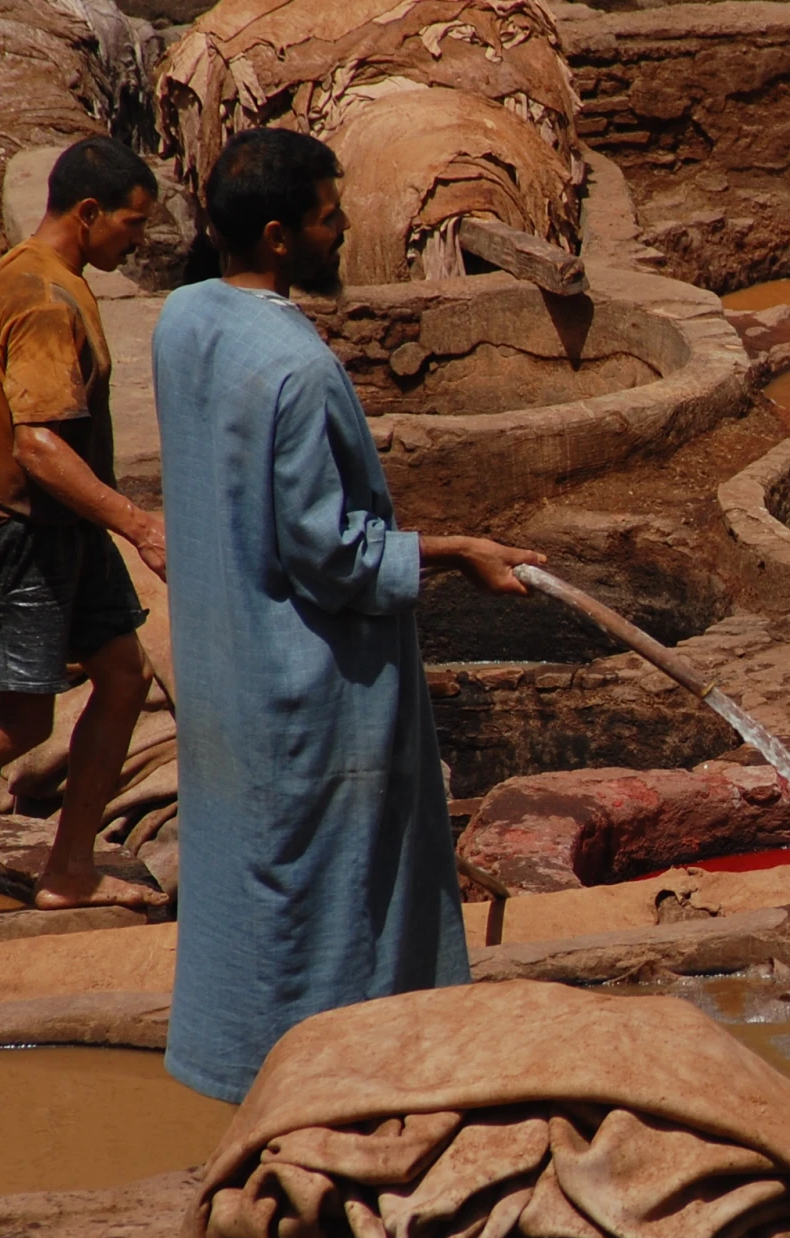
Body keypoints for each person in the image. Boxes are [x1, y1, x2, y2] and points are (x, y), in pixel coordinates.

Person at [152, 127, 544, 1102]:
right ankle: (347, 1097)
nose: (345, 232)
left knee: (248, 891)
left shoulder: (184, 321)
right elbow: (327, 554)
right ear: (280, 235)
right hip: (308, 695)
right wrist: (454, 550)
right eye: (332, 218)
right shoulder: (296, 370)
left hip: (221, 671)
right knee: (340, 904)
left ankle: (251, 1076)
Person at [0, 136, 168, 909]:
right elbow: (36, 443)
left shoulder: (27, 275)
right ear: (90, 211)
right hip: (24, 538)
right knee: (23, 721)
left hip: (63, 531)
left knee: (125, 676)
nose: (136, 242)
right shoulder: (44, 299)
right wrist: (136, 522)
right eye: (132, 226)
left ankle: (69, 869)